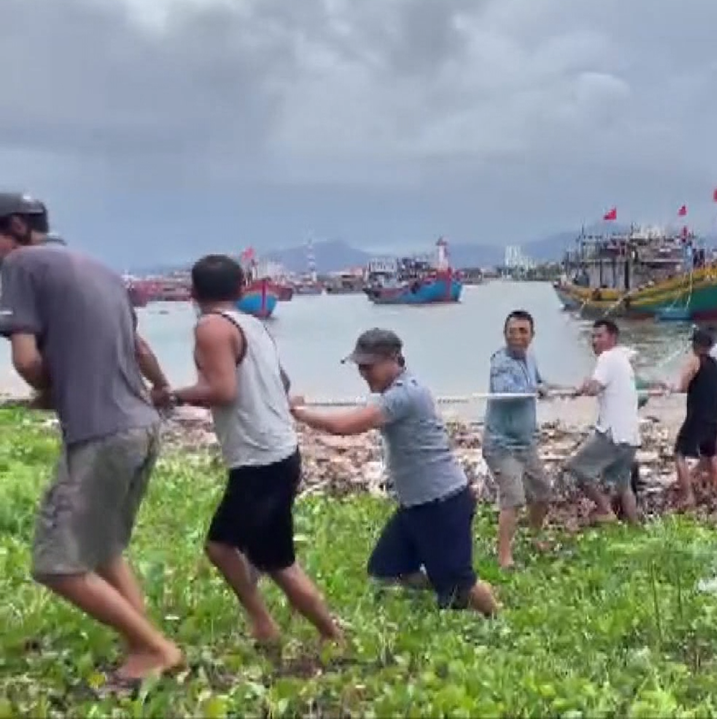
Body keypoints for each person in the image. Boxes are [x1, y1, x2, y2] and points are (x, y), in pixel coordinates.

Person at [0, 192, 184, 689]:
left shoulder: (20, 265)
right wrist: (163, 388)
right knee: (103, 549)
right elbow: (137, 346)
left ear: (15, 227)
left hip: (100, 432)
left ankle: (154, 648)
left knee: (54, 565)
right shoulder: (98, 269)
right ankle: (144, 647)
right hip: (141, 427)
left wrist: (49, 390)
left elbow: (26, 361)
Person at [163, 255, 342, 647]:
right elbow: (281, 379)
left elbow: (224, 391)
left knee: (223, 546)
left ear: (191, 293)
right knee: (274, 559)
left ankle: (266, 625)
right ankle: (328, 636)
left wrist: (169, 396)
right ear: (242, 288)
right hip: (280, 450)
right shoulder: (254, 325)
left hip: (258, 458)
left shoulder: (210, 327)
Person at [290, 329, 497, 614]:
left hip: (443, 502)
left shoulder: (406, 395)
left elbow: (344, 427)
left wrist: (299, 413)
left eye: (368, 366)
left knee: (461, 581)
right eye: (360, 367)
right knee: (385, 571)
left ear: (393, 359)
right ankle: (450, 587)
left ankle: (495, 617)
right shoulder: (393, 394)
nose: (363, 373)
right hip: (415, 505)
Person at [483, 310, 555, 569]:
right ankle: (504, 557)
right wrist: (534, 390)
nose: (517, 337)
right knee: (513, 498)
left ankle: (535, 536)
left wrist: (554, 388)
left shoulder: (530, 358)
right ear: (505, 335)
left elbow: (539, 382)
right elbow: (506, 392)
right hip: (500, 444)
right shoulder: (500, 363)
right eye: (511, 332)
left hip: (526, 442)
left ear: (532, 335)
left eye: (523, 331)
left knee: (543, 492)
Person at [567, 319, 642, 524]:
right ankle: (636, 528)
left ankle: (604, 510)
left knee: (576, 468)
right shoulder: (623, 361)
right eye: (593, 336)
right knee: (623, 485)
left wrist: (583, 386)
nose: (595, 341)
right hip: (631, 436)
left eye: (600, 336)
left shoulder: (607, 358)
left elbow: (594, 388)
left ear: (612, 338)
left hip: (613, 434)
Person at [672, 328, 717, 507]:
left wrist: (672, 387)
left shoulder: (695, 361)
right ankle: (716, 488)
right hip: (715, 415)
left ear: (695, 345)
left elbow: (684, 386)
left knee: (679, 454)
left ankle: (688, 496)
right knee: (709, 454)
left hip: (697, 415)